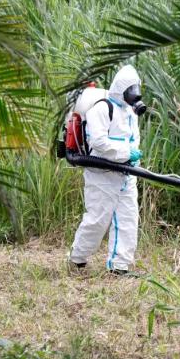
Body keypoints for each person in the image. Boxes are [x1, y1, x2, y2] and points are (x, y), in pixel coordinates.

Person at [69, 65, 145, 275]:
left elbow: (133, 139)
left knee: (128, 219)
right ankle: (77, 260)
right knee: (97, 219)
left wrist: (133, 157)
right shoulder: (102, 109)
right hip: (101, 174)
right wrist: (126, 153)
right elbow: (99, 142)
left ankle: (120, 266)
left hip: (127, 175)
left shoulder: (131, 112)